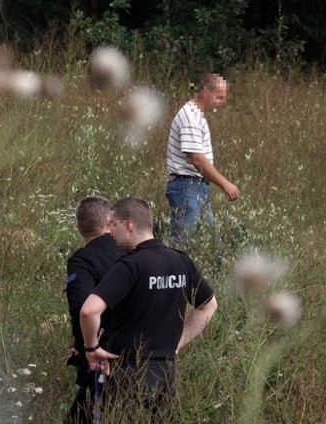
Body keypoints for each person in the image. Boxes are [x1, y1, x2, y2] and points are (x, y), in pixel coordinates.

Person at [80, 197, 218, 421]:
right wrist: (177, 343)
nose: (112, 235)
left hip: (128, 372)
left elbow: (89, 310)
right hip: (166, 372)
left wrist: (91, 348)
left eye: (114, 226)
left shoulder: (129, 265)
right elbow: (209, 305)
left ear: (129, 225)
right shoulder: (181, 261)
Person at [64, 196, 123, 424]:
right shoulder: (134, 252)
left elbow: (82, 307)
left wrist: (86, 347)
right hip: (148, 355)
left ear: (79, 226)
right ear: (111, 222)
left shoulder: (83, 261)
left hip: (102, 357)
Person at [165, 72, 240, 241]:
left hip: (196, 187)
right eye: (219, 97)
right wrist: (225, 184)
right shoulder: (190, 117)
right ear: (206, 91)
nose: (222, 103)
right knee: (184, 244)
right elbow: (196, 159)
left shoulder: (197, 116)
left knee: (212, 246)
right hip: (187, 187)